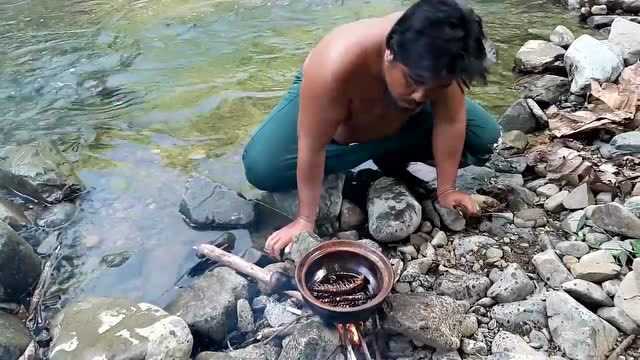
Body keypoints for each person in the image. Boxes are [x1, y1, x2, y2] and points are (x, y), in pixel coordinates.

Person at [242, 0, 501, 258]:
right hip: (330, 93)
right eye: (414, 81)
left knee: (487, 140)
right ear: (390, 52)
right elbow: (312, 145)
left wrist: (446, 189)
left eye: (435, 87)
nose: (421, 96)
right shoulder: (336, 63)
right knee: (263, 168)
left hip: (402, 103)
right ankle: (382, 146)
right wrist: (305, 220)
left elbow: (450, 121)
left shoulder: (445, 53)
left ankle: (387, 147)